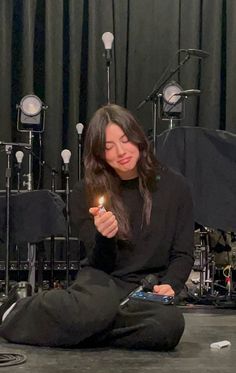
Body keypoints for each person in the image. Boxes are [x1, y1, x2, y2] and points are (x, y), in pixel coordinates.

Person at [0, 104, 194, 350]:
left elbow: (183, 253)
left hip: (144, 289)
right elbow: (100, 262)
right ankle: (16, 310)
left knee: (168, 326)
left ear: (138, 138)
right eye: (108, 147)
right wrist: (105, 237)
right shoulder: (86, 192)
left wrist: (171, 284)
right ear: (99, 154)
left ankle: (80, 329)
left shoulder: (177, 187)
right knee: (97, 308)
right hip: (102, 281)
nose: (121, 152)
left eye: (125, 140)